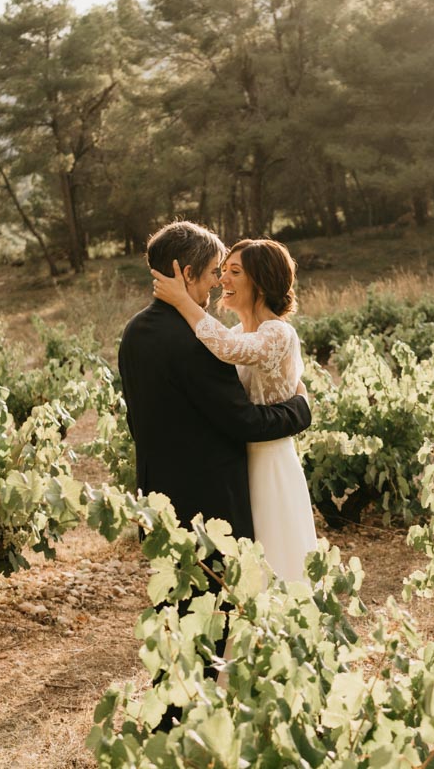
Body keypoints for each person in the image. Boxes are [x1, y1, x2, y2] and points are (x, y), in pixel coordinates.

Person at [117, 220, 313, 727]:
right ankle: (184, 727)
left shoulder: (135, 332)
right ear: (184, 273)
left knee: (178, 617)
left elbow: (139, 421)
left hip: (159, 500)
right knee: (208, 622)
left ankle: (174, 719)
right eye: (209, 273)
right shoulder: (193, 340)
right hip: (210, 503)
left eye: (226, 273)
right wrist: (300, 410)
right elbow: (242, 420)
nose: (215, 283)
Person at [151, 238, 320, 584]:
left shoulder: (278, 333)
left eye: (235, 272)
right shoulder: (235, 331)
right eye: (222, 270)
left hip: (270, 462)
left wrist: (183, 300)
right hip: (236, 463)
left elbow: (227, 349)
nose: (222, 279)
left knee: (276, 556)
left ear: (262, 282)